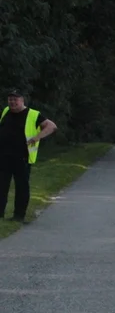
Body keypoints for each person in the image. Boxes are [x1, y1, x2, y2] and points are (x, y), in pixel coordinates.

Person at [0, 89, 57, 222]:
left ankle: (19, 216)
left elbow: (52, 126)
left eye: (15, 99)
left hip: (22, 157)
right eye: (10, 99)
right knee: (1, 186)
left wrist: (37, 137)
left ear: (22, 100)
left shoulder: (33, 114)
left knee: (21, 187)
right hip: (4, 156)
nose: (12, 102)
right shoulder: (5, 111)